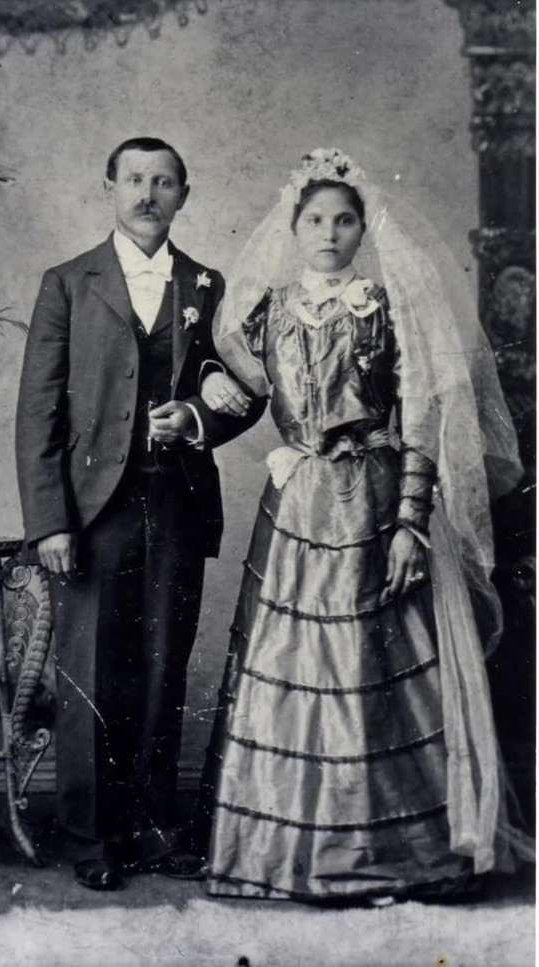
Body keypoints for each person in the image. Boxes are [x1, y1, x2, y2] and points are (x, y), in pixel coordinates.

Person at [199, 147, 532, 903]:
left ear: (362, 228)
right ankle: (284, 854)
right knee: (292, 666)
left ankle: (396, 850)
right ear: (293, 227)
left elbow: (423, 417)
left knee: (373, 666)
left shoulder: (387, 307)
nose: (329, 233)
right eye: (315, 219)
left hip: (375, 500)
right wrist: (208, 390)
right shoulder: (266, 310)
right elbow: (233, 385)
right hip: (297, 504)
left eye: (344, 220)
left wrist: (411, 522)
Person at [15, 137, 264, 891]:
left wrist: (196, 417)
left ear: (184, 194)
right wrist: (50, 522)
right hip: (92, 512)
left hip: (176, 503)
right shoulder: (69, 283)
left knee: (162, 666)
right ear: (110, 187)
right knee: (91, 673)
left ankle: (156, 827)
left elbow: (247, 389)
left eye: (163, 181)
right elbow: (37, 412)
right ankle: (91, 835)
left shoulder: (209, 285)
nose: (147, 194)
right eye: (134, 180)